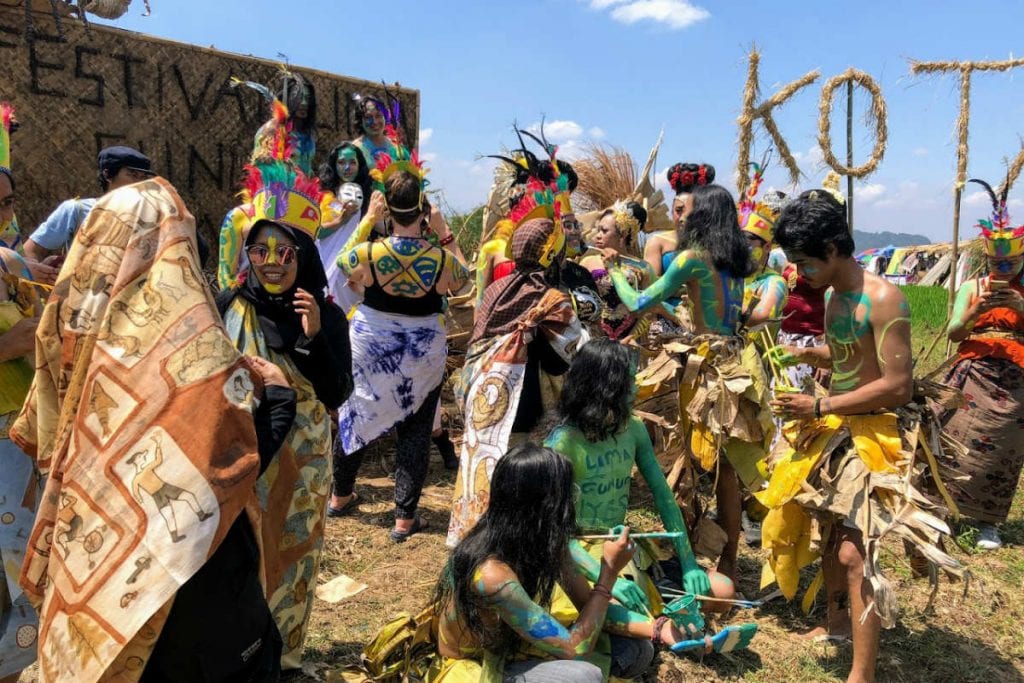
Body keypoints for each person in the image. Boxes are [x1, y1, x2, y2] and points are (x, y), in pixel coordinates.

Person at [9, 177, 283, 681]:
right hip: (191, 600)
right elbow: (226, 473)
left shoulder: (70, 317)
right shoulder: (197, 351)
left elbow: (44, 429)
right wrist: (279, 401)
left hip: (91, 543)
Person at [761, 186, 962, 683]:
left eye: (806, 261)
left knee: (856, 555)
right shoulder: (832, 295)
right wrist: (810, 356)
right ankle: (836, 626)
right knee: (831, 536)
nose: (800, 273)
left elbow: (896, 386)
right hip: (835, 429)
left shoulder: (885, 298)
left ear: (832, 251)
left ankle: (862, 673)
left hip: (876, 433)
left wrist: (820, 403)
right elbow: (849, 357)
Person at [217, 157, 352, 669]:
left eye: (284, 251)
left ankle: (285, 657)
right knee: (241, 556)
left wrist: (314, 338)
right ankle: (241, 654)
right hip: (243, 454)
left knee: (293, 558)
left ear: (305, 257)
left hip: (304, 464)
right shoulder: (229, 305)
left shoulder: (327, 314)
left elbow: (337, 393)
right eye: (260, 249)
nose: (271, 260)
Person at [436, 444, 698, 681]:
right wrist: (608, 573)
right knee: (583, 676)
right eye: (566, 494)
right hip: (476, 666)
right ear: (543, 505)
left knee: (638, 650)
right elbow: (576, 650)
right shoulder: (492, 575)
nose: (573, 500)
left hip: (511, 645)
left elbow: (590, 605)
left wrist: (660, 628)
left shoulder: (545, 542)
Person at [606, 183, 758, 583]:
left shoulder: (692, 258)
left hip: (704, 370)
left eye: (686, 209)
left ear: (703, 215)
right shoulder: (736, 260)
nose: (681, 217)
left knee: (685, 460)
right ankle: (727, 560)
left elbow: (638, 302)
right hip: (734, 365)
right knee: (726, 469)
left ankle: (687, 555)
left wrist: (616, 273)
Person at [331, 144, 469, 541]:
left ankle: (340, 497)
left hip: (372, 341)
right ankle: (404, 519)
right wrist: (443, 231)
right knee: (415, 427)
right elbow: (461, 281)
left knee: (355, 414)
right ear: (423, 211)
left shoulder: (371, 252)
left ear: (388, 209)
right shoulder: (439, 259)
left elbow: (341, 264)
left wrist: (368, 220)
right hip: (422, 348)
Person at [447, 188, 586, 547]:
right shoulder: (551, 298)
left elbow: (478, 340)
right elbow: (570, 351)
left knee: (490, 469)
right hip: (524, 401)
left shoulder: (496, 290)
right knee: (524, 469)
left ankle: (481, 536)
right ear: (552, 254)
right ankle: (520, 538)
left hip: (485, 395)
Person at [545, 339, 734, 603]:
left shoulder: (632, 428)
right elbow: (554, 532)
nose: (637, 387)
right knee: (613, 605)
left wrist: (688, 562)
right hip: (580, 554)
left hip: (621, 546)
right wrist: (605, 579)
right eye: (631, 381)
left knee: (723, 590)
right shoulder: (561, 443)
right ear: (608, 387)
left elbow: (662, 495)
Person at [938, 178, 1024, 551]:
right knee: (955, 441)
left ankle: (988, 522)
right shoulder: (973, 287)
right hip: (972, 374)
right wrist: (974, 312)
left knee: (1004, 450)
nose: (1003, 267)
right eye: (996, 262)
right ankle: (943, 510)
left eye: (1010, 261)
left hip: (1016, 379)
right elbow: (955, 332)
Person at [0, 247, 42, 683]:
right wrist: (5, 347)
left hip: (20, 453)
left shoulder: (10, 268)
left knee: (22, 586)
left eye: (7, 203)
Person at [23, 145, 155, 261]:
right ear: (108, 174)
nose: (139, 183)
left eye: (143, 177)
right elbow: (31, 251)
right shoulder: (77, 210)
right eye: (132, 175)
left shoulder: (150, 217)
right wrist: (40, 279)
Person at [580, 202, 654, 341]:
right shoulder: (588, 262)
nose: (597, 236)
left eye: (604, 231)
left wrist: (631, 338)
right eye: (598, 230)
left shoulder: (643, 268)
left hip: (629, 343)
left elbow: (648, 311)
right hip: (594, 343)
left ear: (623, 234)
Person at [317, 141, 373, 314]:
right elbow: (316, 232)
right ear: (334, 165)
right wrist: (341, 220)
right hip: (323, 261)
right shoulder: (323, 196)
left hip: (351, 265)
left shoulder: (367, 196)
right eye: (341, 162)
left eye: (353, 162)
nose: (347, 167)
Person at [643, 162, 713, 278]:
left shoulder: (714, 241)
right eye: (679, 210)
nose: (684, 217)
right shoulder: (657, 242)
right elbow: (649, 285)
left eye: (692, 212)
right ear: (671, 210)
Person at [352, 95, 401, 166]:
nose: (374, 121)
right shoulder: (355, 149)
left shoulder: (397, 147)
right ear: (360, 121)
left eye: (378, 116)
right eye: (368, 117)